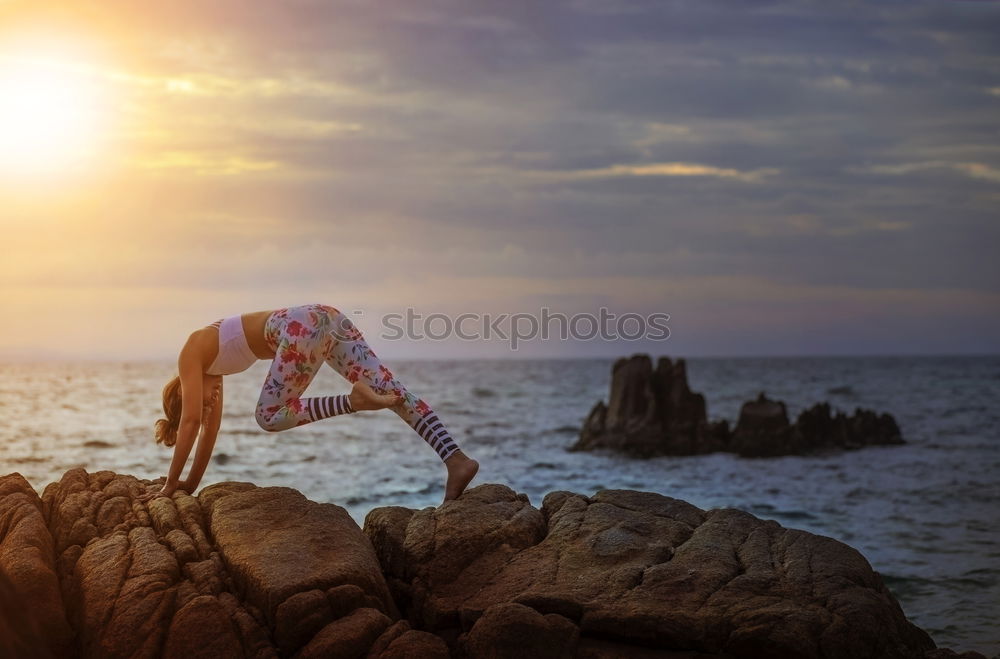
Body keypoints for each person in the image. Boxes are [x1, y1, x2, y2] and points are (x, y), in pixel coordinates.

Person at [138, 303, 479, 504]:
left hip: (303, 327)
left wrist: (169, 485)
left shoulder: (191, 353)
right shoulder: (216, 373)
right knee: (390, 392)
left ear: (183, 391)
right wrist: (189, 486)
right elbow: (207, 434)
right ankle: (456, 460)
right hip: (325, 317)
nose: (209, 404)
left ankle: (352, 402)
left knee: (267, 416)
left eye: (201, 401)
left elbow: (192, 423)